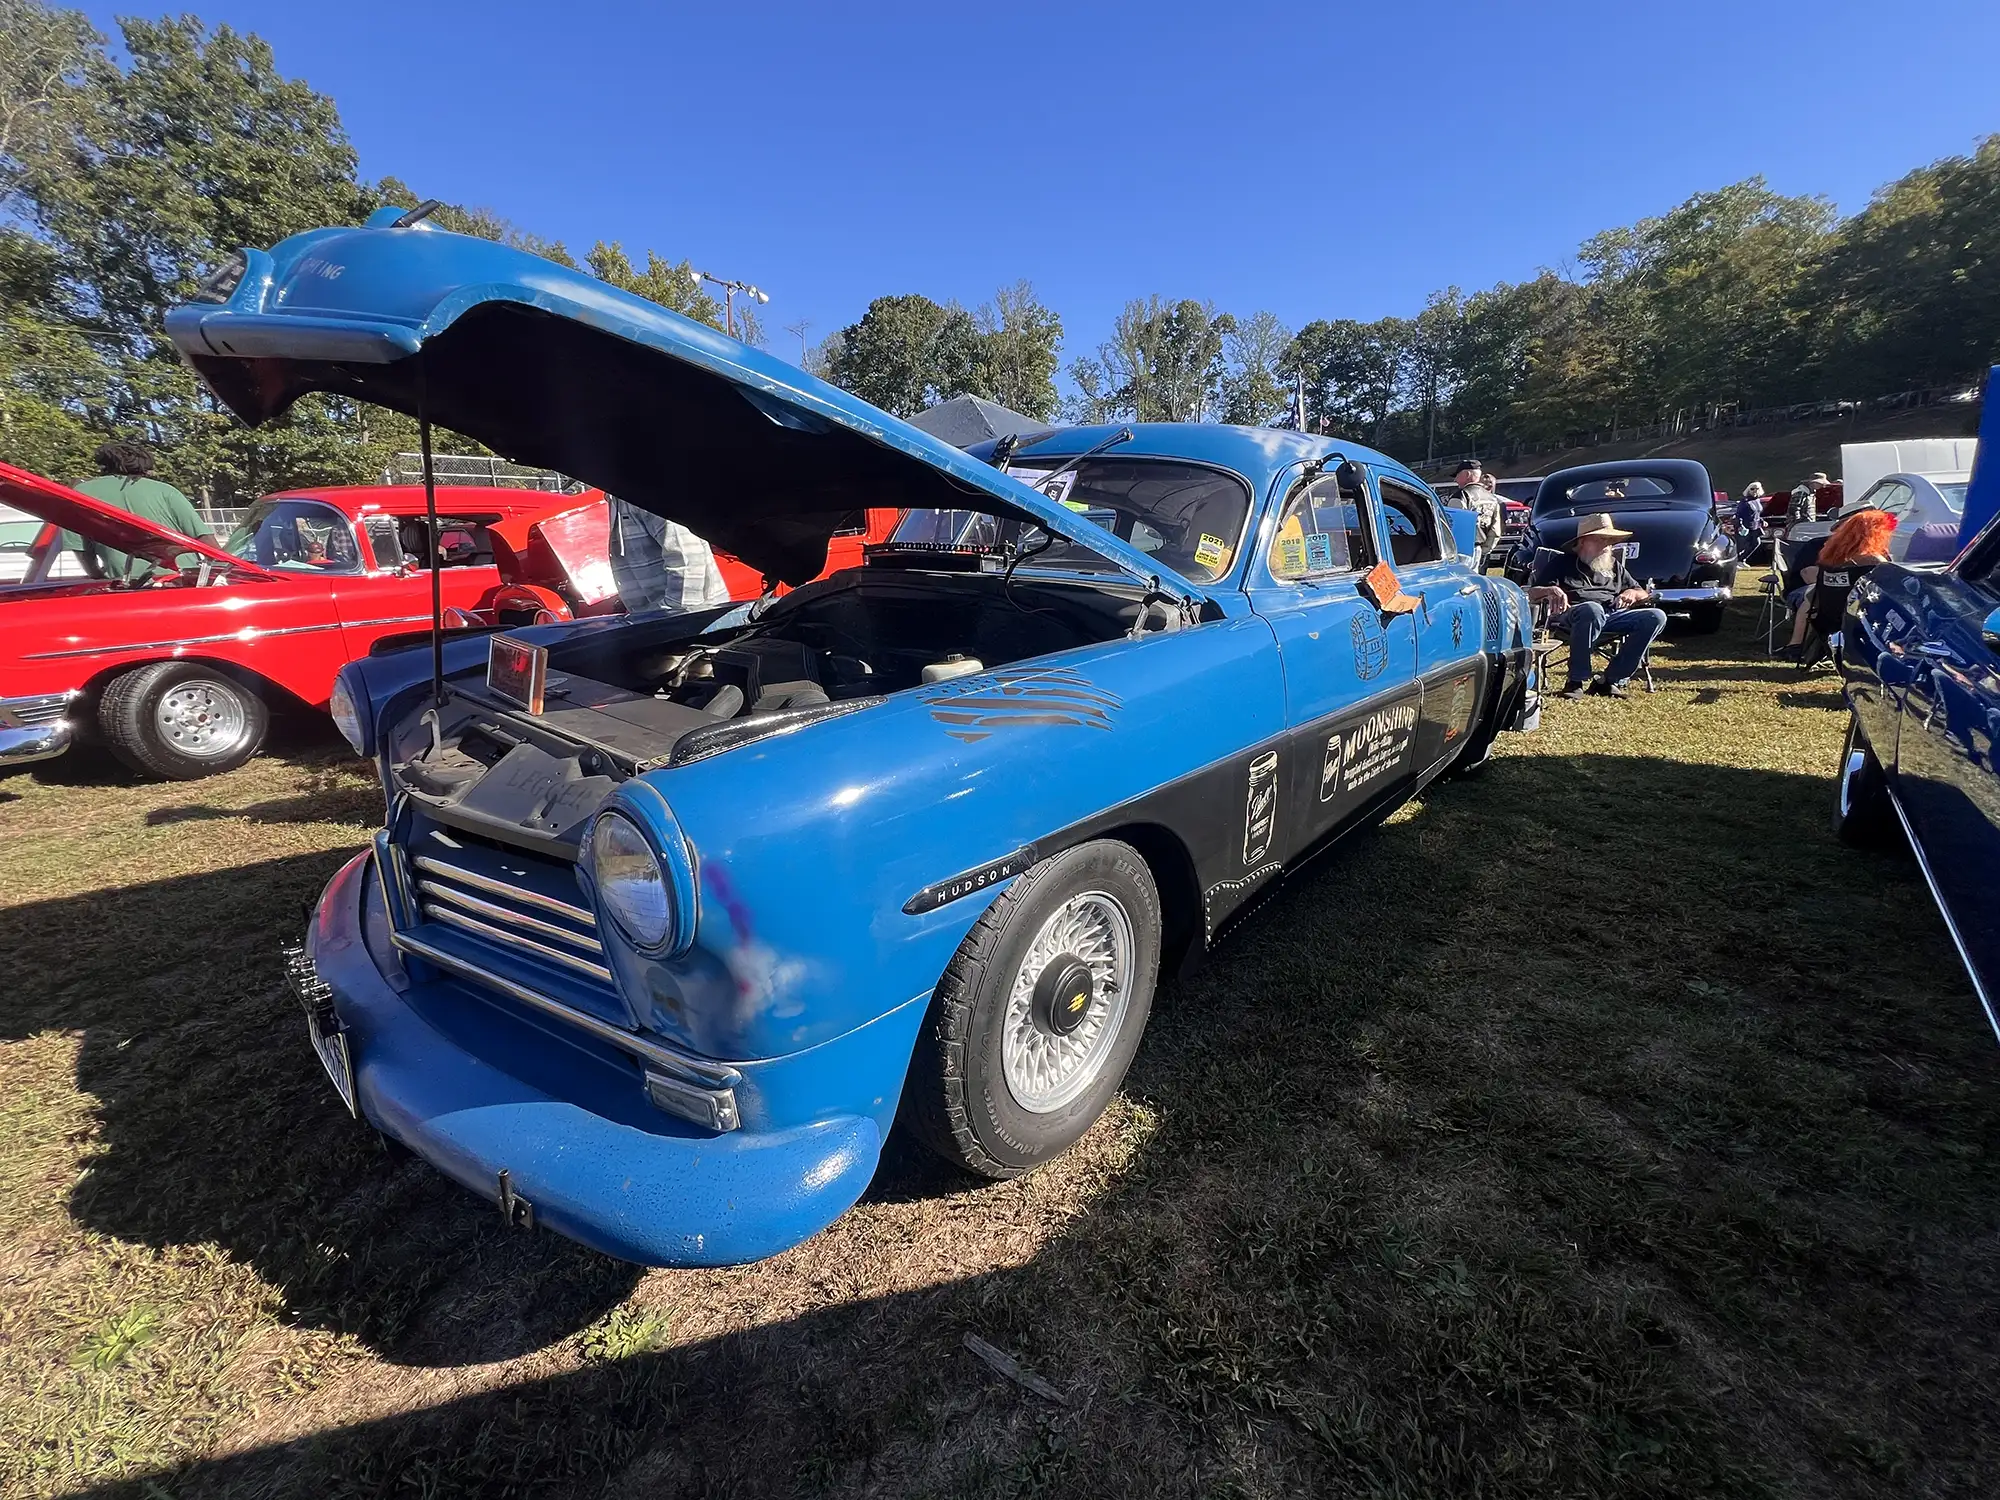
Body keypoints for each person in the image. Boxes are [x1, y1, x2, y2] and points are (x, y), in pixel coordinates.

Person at [1527, 512, 1667, 699]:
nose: (1607, 545)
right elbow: (1532, 592)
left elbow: (1641, 592)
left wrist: (1632, 593)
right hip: (1573, 615)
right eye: (1601, 539)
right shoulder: (1562, 563)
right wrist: (1551, 590)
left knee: (1655, 616)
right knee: (1592, 609)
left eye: (1610, 540)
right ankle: (1575, 681)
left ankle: (1609, 680)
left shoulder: (1613, 566)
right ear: (1583, 541)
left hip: (1611, 615)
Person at [62, 439, 206, 582]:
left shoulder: (81, 492)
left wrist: (98, 576)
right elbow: (204, 538)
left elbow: (81, 549)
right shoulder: (166, 491)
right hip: (183, 579)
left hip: (127, 583)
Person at [607, 493, 730, 615]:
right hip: (658, 615)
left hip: (692, 616)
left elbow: (689, 560)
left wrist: (671, 612)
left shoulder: (648, 493)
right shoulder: (617, 497)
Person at [1453, 459, 1502, 562]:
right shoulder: (1492, 498)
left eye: (1457, 476)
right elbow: (1495, 530)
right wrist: (1485, 550)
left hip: (1460, 550)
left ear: (1467, 474)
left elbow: (1454, 526)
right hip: (1478, 550)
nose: (1455, 480)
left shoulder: (1461, 496)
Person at [1733, 481, 1767, 558]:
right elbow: (1738, 515)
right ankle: (1738, 560)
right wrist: (1740, 526)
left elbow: (1757, 514)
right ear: (1748, 490)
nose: (1755, 491)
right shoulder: (1744, 501)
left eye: (1757, 489)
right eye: (1752, 489)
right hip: (1745, 527)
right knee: (1741, 546)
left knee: (1756, 543)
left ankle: (1742, 559)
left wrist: (1762, 521)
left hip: (1755, 527)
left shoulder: (1757, 500)